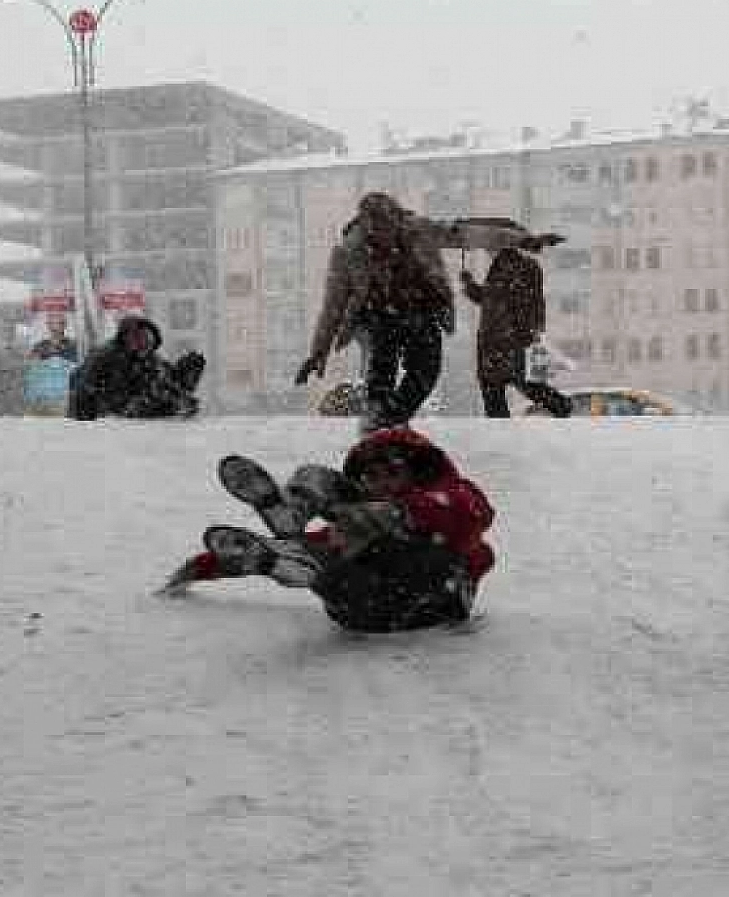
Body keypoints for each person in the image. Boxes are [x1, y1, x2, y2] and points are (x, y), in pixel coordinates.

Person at [160, 427, 495, 633]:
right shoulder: (358, 528)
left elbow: (471, 513)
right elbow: (323, 540)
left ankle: (305, 522)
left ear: (417, 472)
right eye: (370, 477)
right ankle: (296, 552)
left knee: (377, 536)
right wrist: (205, 565)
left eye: (391, 473)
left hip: (434, 600)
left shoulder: (454, 497)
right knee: (330, 543)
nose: (381, 483)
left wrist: (397, 512)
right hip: (367, 610)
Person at [296, 193, 561, 431]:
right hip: (378, 317)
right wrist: (318, 352)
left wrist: (524, 240)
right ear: (366, 228)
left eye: (390, 227)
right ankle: (377, 415)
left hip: (422, 311)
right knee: (381, 366)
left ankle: (390, 417)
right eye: (377, 232)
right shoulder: (348, 252)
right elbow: (333, 306)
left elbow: (467, 233)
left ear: (398, 221)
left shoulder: (420, 230)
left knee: (425, 372)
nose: (385, 237)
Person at [459, 231, 572, 418]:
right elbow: (489, 299)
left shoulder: (519, 267)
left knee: (505, 383)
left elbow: (527, 302)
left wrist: (527, 333)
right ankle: (557, 405)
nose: (488, 250)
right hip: (499, 337)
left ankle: (559, 405)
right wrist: (469, 284)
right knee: (505, 383)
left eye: (491, 247)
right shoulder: (501, 268)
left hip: (505, 337)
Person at [68, 315, 204, 420]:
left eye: (149, 340)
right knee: (155, 395)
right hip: (106, 417)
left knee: (166, 391)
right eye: (140, 339)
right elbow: (84, 391)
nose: (145, 345)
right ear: (126, 338)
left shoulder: (150, 360)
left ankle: (177, 406)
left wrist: (183, 375)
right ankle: (173, 406)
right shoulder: (104, 357)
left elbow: (168, 381)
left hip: (136, 415)